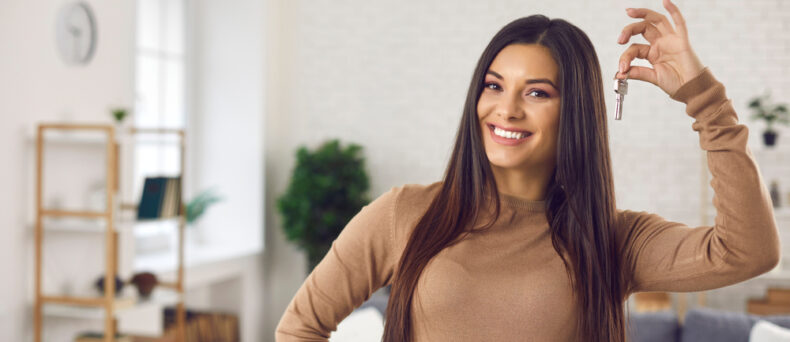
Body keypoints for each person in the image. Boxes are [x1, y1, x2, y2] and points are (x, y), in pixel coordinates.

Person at [276, 0, 781, 341]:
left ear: (575, 111)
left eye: (537, 92)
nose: (507, 109)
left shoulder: (610, 238)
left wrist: (704, 100)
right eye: (494, 86)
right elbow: (299, 327)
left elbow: (748, 251)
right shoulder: (404, 214)